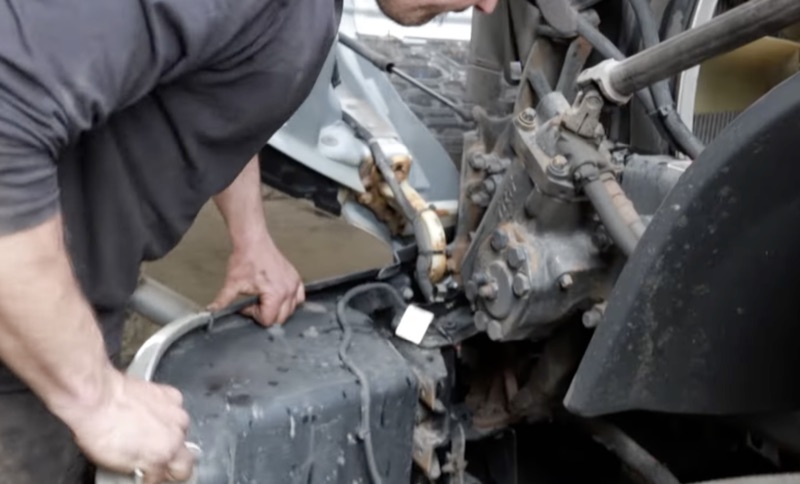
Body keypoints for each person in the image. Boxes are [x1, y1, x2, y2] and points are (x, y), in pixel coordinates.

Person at [0, 0, 498, 482]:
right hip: (22, 331)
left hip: (58, 299)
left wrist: (251, 237)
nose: (490, 6)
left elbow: (215, 79)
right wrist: (93, 398)